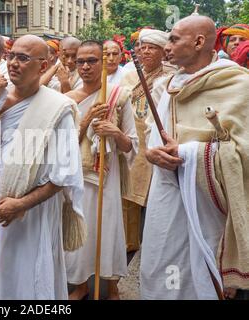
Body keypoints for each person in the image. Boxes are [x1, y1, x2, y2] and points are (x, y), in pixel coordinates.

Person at [140, 16, 249, 300]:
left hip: (209, 207)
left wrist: (189, 153)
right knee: (165, 274)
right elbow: (155, 138)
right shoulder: (171, 85)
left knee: (204, 280)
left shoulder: (238, 85)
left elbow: (243, 152)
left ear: (199, 42)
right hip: (166, 199)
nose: (167, 47)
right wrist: (153, 154)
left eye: (174, 39)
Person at [0, 34, 86, 299]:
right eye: (11, 56)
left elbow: (64, 175)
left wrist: (20, 205)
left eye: (23, 58)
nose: (13, 63)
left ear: (43, 66)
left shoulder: (58, 108)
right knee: (2, 276)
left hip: (34, 213)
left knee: (33, 278)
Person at [64, 40, 138, 300]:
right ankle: (81, 285)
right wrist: (85, 122)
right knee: (80, 228)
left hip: (107, 176)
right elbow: (61, 145)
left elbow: (131, 145)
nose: (85, 66)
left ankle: (112, 286)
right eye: (80, 61)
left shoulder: (119, 96)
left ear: (103, 62)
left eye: (92, 61)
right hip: (78, 177)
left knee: (108, 229)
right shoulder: (68, 100)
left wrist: (114, 133)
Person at [120, 29, 175, 252]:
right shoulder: (129, 75)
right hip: (133, 140)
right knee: (130, 193)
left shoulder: (170, 78)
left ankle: (157, 245)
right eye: (142, 47)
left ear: (163, 52)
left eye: (152, 47)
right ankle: (129, 242)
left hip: (157, 142)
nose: (145, 51)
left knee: (158, 196)